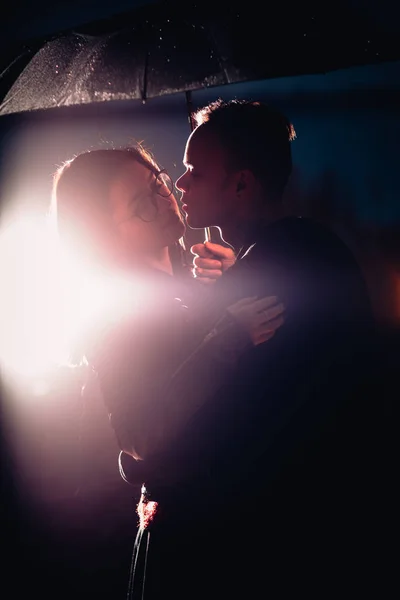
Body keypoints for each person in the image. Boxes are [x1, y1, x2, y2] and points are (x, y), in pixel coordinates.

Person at [47, 145, 285, 599]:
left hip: (232, 519)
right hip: (189, 539)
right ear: (103, 237)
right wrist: (229, 333)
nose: (164, 197)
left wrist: (230, 287)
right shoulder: (116, 315)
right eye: (140, 204)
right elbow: (140, 434)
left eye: (156, 181)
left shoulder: (184, 287)